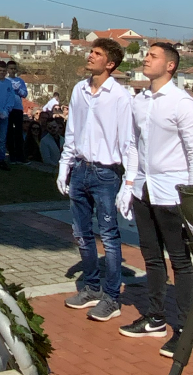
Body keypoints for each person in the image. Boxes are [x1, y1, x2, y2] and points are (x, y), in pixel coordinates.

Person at [120, 41, 193, 357]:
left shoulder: (182, 104)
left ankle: (184, 328)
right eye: (147, 55)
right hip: (145, 189)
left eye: (153, 56)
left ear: (170, 65)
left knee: (181, 261)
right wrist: (128, 184)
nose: (146, 59)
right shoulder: (139, 102)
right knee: (151, 257)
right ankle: (155, 318)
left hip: (173, 192)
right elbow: (132, 145)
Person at [57, 38, 136, 322]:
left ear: (110, 64)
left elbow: (128, 141)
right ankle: (91, 287)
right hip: (81, 168)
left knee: (110, 236)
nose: (90, 56)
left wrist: (129, 183)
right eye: (91, 51)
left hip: (106, 172)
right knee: (81, 233)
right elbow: (72, 131)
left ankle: (111, 297)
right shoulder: (79, 90)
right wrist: (65, 164)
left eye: (97, 53)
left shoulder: (121, 97)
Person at [5, 60, 28, 162]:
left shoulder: (20, 81)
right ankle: (11, 155)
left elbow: (25, 94)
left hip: (18, 108)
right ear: (7, 69)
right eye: (11, 68)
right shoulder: (4, 80)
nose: (12, 70)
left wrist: (19, 90)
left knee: (19, 132)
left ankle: (21, 155)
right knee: (9, 132)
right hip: (8, 109)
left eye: (14, 68)